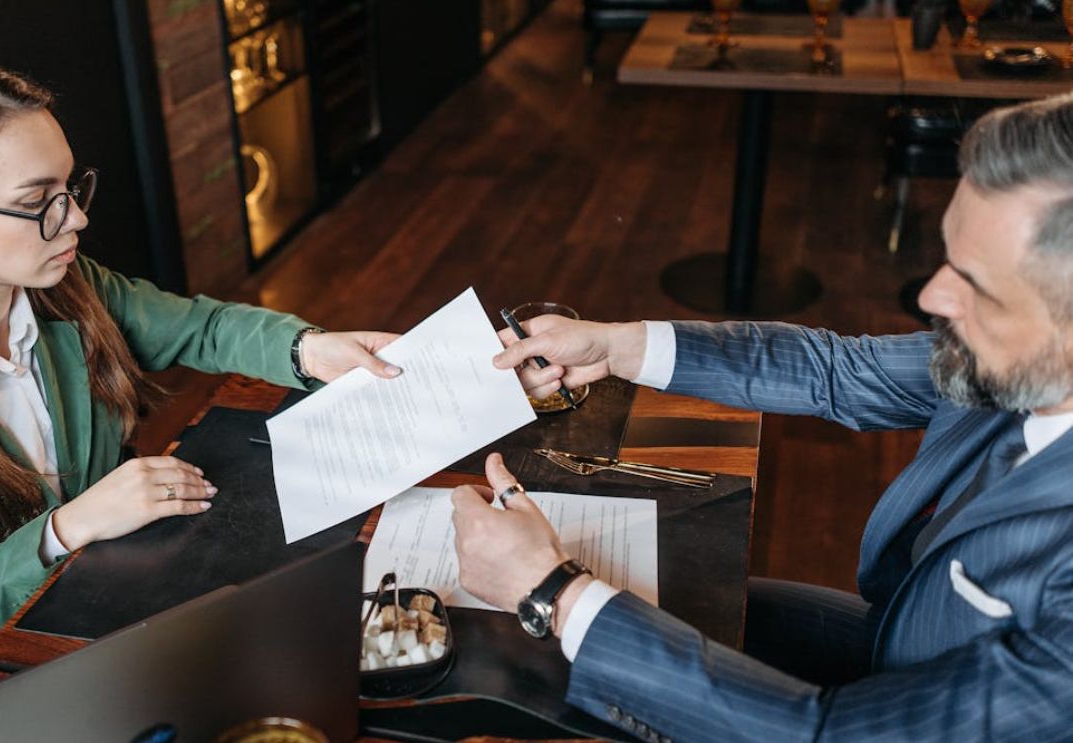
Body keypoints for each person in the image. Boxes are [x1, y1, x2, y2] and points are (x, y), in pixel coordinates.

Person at [453, 92, 1073, 741]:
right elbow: (837, 370)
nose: (932, 295)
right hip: (900, 638)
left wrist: (552, 593)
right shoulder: (1018, 361)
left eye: (976, 284)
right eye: (947, 257)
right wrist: (616, 346)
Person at [0, 57, 400, 727]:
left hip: (99, 613)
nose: (74, 220)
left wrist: (310, 348)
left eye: (70, 187)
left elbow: (204, 327)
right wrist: (66, 528)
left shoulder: (65, 290)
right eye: (36, 202)